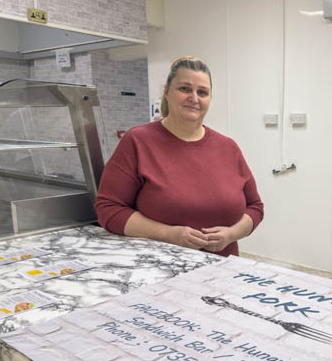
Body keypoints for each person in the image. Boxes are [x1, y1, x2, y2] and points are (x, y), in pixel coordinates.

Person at [95, 56, 263, 257]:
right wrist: (168, 234)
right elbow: (108, 210)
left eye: (202, 92)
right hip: (158, 270)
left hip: (222, 269)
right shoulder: (138, 141)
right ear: (167, 93)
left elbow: (255, 207)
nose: (194, 98)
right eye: (185, 89)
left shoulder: (228, 147)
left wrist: (231, 234)